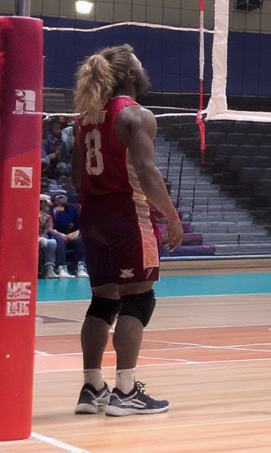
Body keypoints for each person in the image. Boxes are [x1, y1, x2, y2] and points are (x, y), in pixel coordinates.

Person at [69, 45, 185, 416]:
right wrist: (172, 216)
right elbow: (149, 175)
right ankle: (125, 391)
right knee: (139, 298)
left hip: (92, 216)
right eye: (140, 62)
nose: (144, 66)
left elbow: (75, 177)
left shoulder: (85, 117)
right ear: (131, 74)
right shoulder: (135, 114)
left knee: (104, 301)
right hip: (127, 216)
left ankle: (92, 388)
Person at [51, 192, 87, 278]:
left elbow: (81, 226)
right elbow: (49, 228)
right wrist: (62, 235)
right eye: (59, 197)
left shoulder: (73, 210)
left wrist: (75, 233)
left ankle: (81, 267)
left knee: (81, 239)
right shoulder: (51, 210)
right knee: (60, 241)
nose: (61, 199)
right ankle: (61, 268)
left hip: (71, 236)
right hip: (55, 235)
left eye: (63, 197)